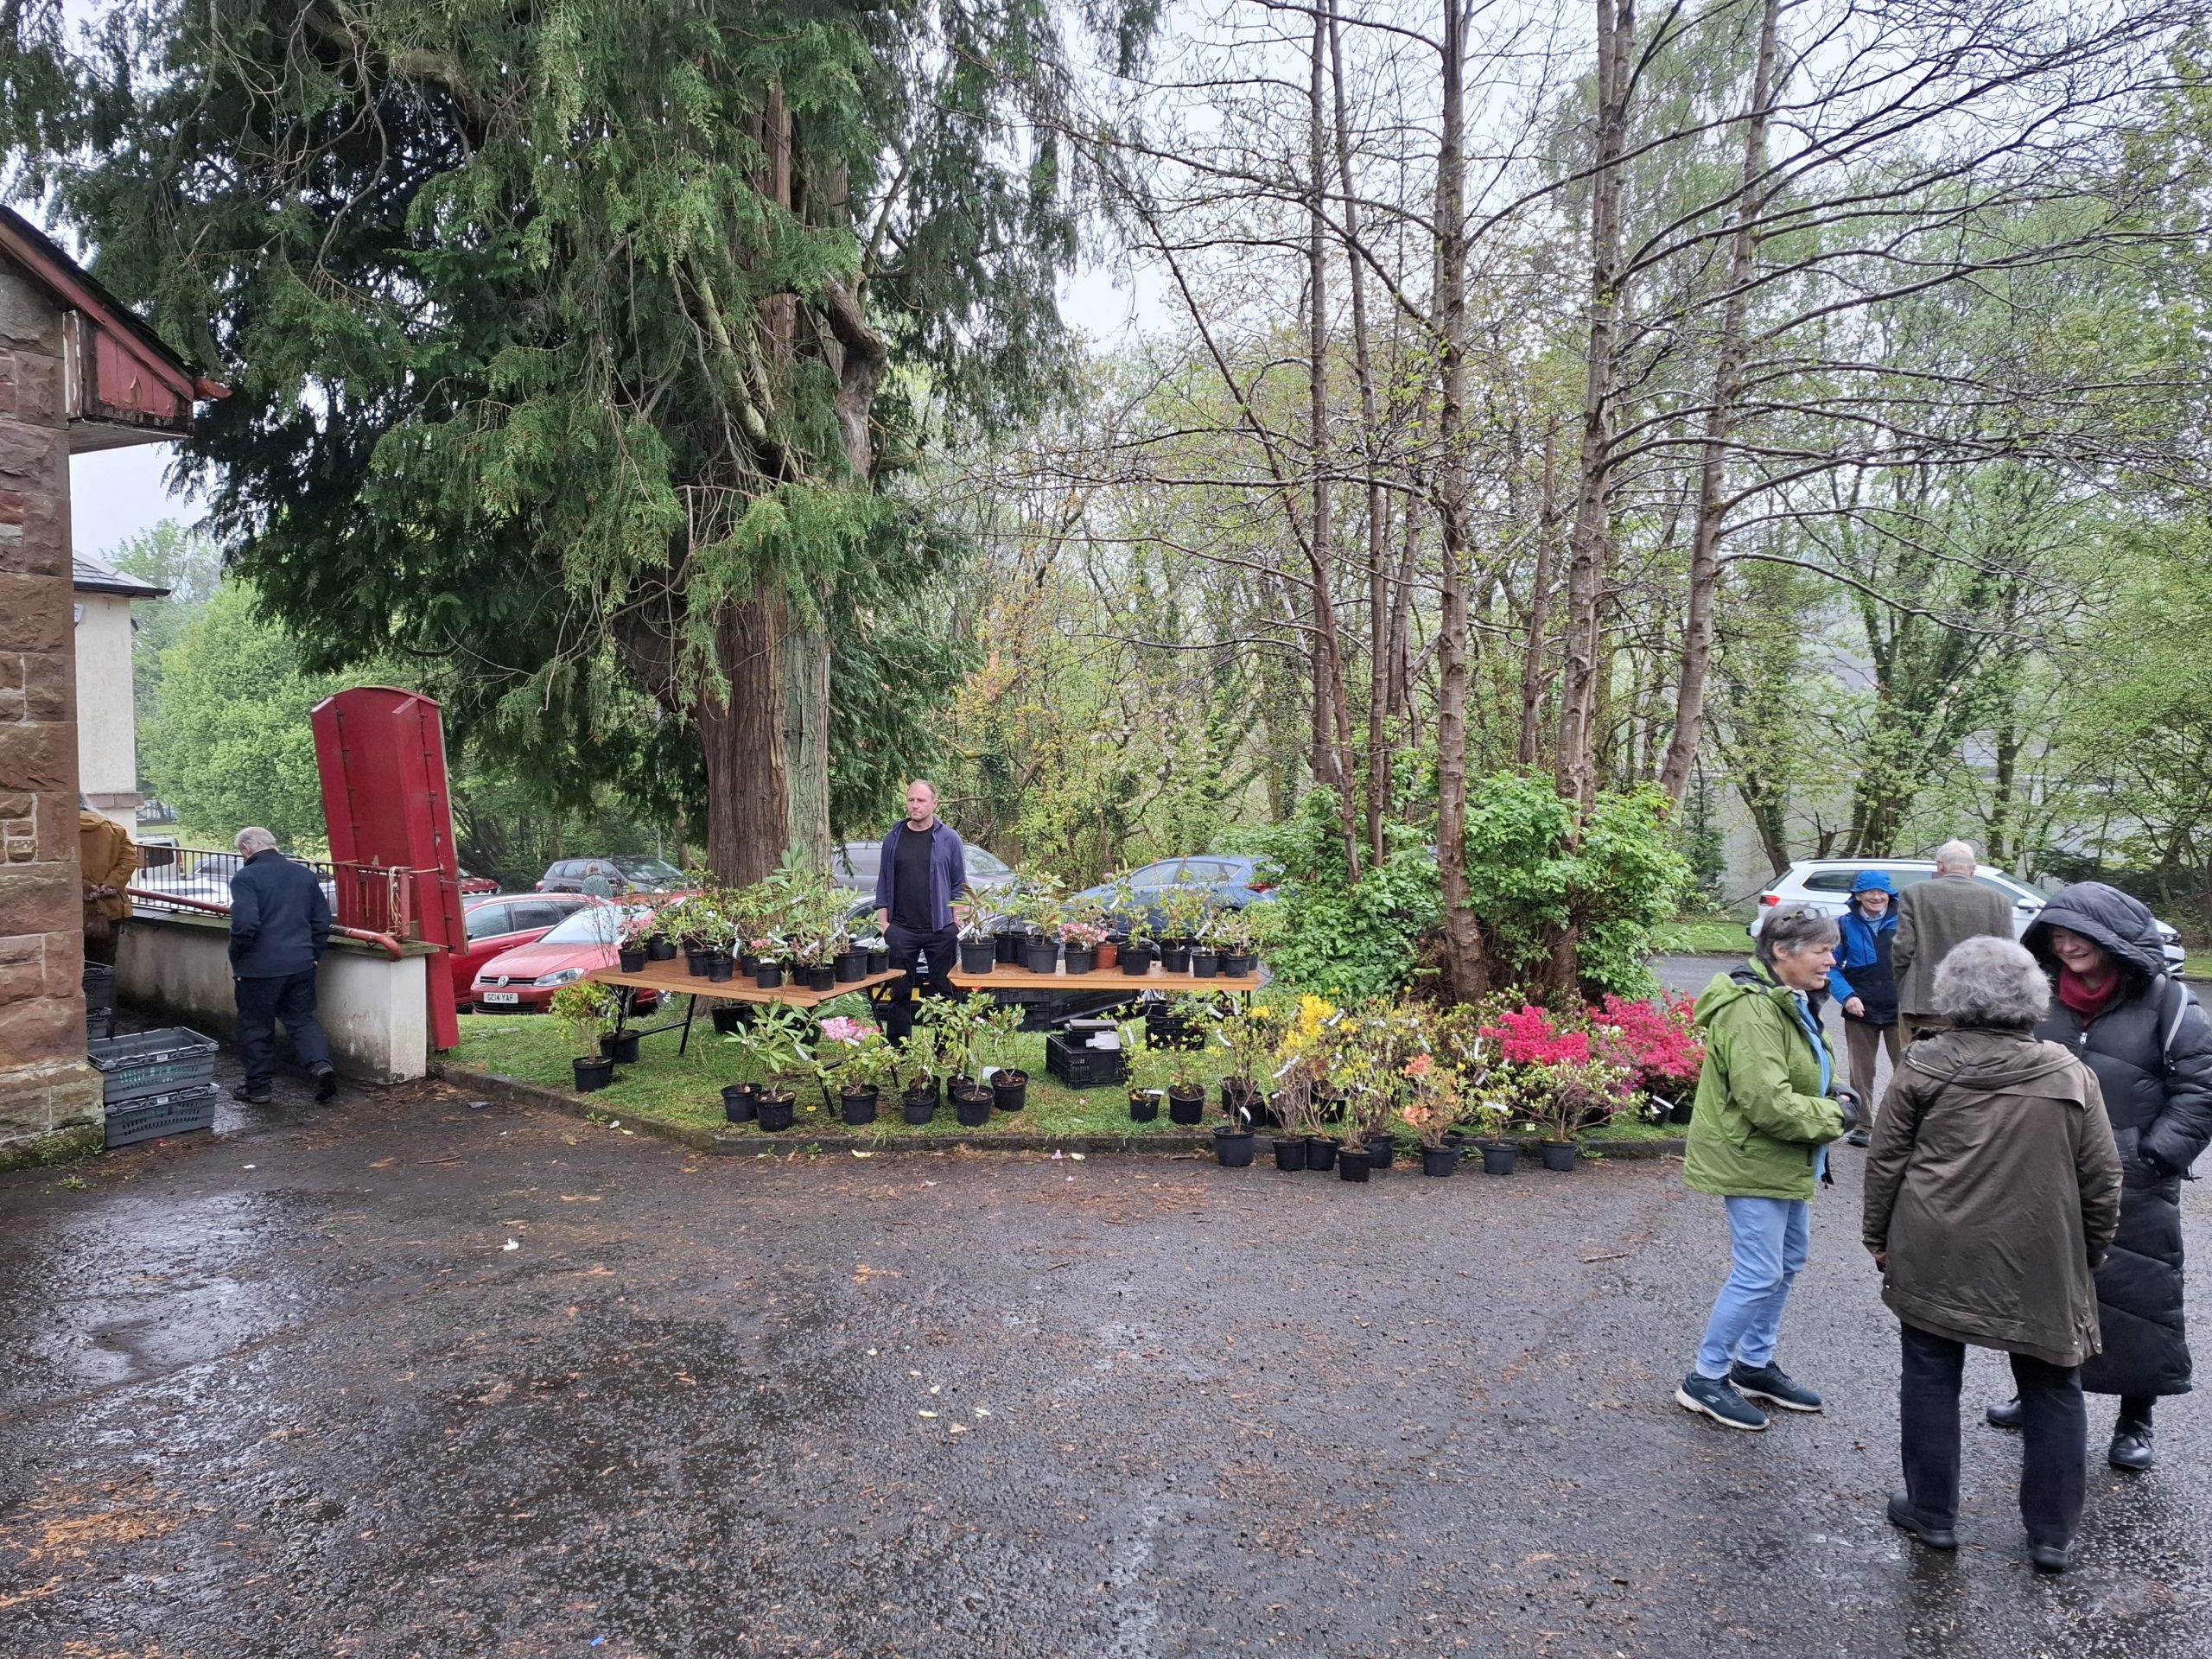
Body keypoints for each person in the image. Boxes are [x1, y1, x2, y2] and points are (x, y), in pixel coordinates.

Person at [1862, 936, 2122, 1573]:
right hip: (2040, 1253)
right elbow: (2102, 1178)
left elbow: (1886, 1162)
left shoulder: (1923, 1065)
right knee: (2052, 1382)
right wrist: (2088, 1254)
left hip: (1933, 1244)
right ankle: (2052, 1534)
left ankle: (1933, 1512)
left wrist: (1879, 1239)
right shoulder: (2069, 1072)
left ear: (1951, 996)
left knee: (1930, 1374)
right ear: (2033, 996)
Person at [1981, 882, 2212, 1473]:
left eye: (2078, 935)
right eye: (2057, 936)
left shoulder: (2168, 1001)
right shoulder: (2033, 993)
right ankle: (2036, 1394)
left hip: (2135, 1177)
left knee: (2138, 1299)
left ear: (2114, 938)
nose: (2066, 946)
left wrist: (2151, 1157)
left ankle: (2136, 1419)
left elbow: (2200, 1086)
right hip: (2039, 1175)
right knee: (2036, 1293)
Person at [1676, 905, 1857, 1432]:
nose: (1832, 959)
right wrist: (1835, 1116)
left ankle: (1753, 1366)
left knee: (1788, 1259)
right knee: (1759, 1271)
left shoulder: (1786, 997)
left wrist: (1828, 1088)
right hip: (1753, 1154)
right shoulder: (1751, 1009)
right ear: (1782, 951)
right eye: (1822, 949)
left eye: (1832, 949)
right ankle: (1705, 1378)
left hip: (1784, 1156)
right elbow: (1766, 1102)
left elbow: (1795, 1068)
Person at [228, 826, 337, 1104]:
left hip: (258, 969)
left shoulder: (245, 877)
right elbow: (322, 921)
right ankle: (320, 1065)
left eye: (241, 852)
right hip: (301, 963)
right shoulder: (303, 874)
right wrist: (314, 954)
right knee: (301, 1019)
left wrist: (239, 956)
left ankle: (258, 1088)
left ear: (246, 849)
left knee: (256, 1026)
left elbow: (245, 924)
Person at [873, 780, 969, 1044]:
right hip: (901, 930)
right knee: (899, 992)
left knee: (943, 991)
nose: (914, 805)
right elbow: (884, 879)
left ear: (934, 804)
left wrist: (956, 919)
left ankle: (945, 1048)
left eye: (921, 800)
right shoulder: (894, 837)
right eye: (911, 800)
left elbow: (959, 883)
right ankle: (898, 1048)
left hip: (941, 929)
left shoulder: (949, 839)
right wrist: (884, 924)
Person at [1891, 840, 2014, 1035]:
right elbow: (2006, 959)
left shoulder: (1915, 893)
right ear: (1973, 868)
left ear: (1940, 866)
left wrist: (1906, 987)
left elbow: (1903, 948)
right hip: (1978, 1006)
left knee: (1917, 1054)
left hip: (1924, 1001)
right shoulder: (2000, 901)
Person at [1827, 870, 1902, 1147]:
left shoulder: (1905, 922)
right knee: (1861, 1071)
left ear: (1889, 895)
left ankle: (1900, 1124)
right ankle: (1862, 1125)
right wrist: (1847, 997)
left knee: (1906, 1068)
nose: (1876, 897)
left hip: (1899, 1007)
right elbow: (1831, 967)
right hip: (1860, 1007)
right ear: (1858, 895)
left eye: (1881, 892)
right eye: (1869, 892)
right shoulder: (1843, 925)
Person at [78, 795, 139, 968]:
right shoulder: (113, 828)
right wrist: (110, 884)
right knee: (103, 963)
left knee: (68, 966)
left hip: (70, 910)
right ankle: (102, 986)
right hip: (108, 907)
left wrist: (85, 889)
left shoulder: (55, 831)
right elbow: (129, 859)